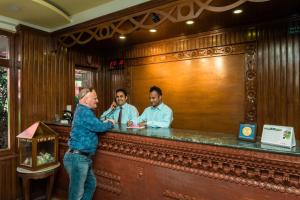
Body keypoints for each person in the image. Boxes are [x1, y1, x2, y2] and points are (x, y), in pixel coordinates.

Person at [63, 88, 115, 200]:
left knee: (91, 184)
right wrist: (110, 122)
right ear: (86, 100)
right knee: (75, 195)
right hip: (78, 159)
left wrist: (102, 122)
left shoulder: (82, 110)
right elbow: (99, 127)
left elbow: (93, 124)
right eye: (95, 98)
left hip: (80, 157)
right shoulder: (85, 111)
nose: (98, 100)